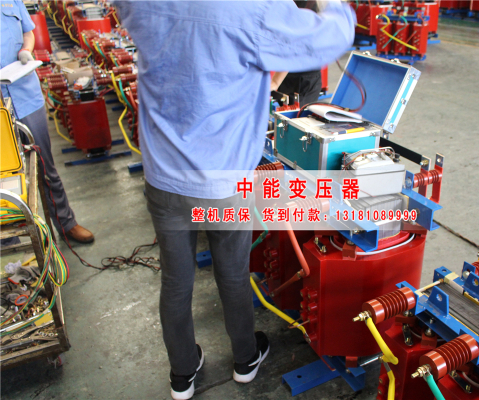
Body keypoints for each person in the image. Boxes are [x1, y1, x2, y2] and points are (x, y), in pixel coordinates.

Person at [115, 1, 355, 399]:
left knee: (176, 282)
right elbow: (331, 36)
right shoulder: (250, 8)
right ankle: (245, 359)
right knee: (231, 273)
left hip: (164, 178)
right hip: (224, 181)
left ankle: (182, 374)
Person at [0, 0, 94, 243]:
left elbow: (28, 32)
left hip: (25, 93)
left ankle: (66, 223)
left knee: (44, 164)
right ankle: (8, 239)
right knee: (3, 173)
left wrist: (26, 50)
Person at [270, 0, 324, 107]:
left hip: (304, 79)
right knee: (284, 110)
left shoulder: (305, 8)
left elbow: (294, 44)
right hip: (289, 75)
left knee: (298, 113)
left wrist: (275, 81)